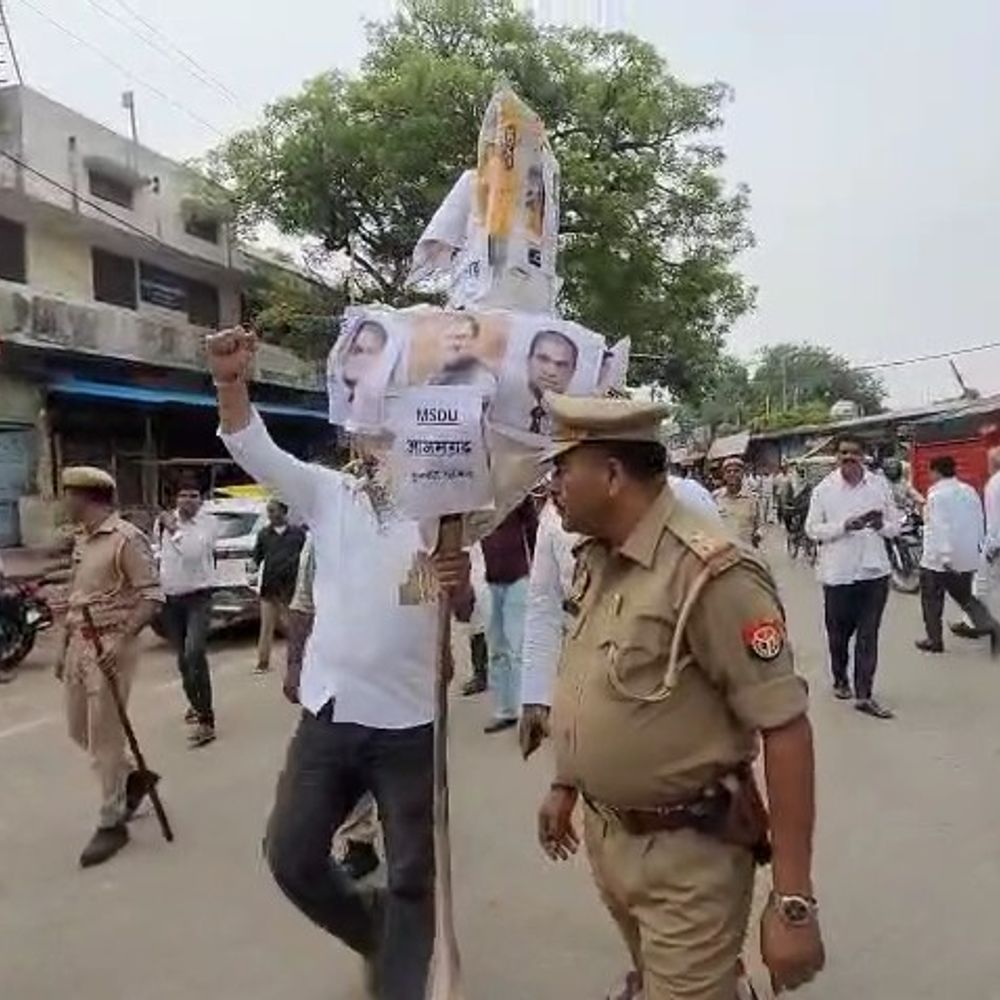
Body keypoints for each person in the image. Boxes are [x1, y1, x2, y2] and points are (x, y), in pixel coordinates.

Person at [207, 326, 473, 999]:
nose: (380, 441)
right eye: (370, 428)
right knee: (291, 857)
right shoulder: (328, 495)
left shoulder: (446, 511)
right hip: (330, 717)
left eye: (393, 425)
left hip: (410, 727)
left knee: (414, 875)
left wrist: (456, 576)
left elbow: (461, 609)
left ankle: (402, 976)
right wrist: (232, 382)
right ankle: (375, 927)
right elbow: (251, 445)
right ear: (355, 438)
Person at [537, 393, 824, 1000]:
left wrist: (793, 904)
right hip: (610, 837)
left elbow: (786, 727)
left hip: (687, 859)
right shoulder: (598, 559)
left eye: (562, 467)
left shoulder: (711, 574)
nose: (552, 483)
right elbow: (591, 678)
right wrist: (567, 781)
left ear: (612, 475)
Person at [519, 473, 721, 760]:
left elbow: (719, 597)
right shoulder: (555, 518)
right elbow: (543, 604)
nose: (552, 485)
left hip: (678, 692)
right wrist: (536, 695)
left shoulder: (684, 497)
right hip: (595, 682)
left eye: (566, 467)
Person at [56, 467, 163, 867]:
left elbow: (152, 597)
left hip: (112, 646)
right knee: (78, 729)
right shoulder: (83, 540)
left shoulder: (126, 540)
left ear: (88, 497)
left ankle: (112, 819)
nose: (64, 502)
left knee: (104, 737)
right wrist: (62, 647)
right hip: (80, 644)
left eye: (68, 494)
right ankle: (132, 776)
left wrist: (121, 640)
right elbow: (76, 596)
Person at [286, 535, 381, 881]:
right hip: (336, 672)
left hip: (393, 670)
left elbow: (425, 597)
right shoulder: (319, 537)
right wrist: (294, 664)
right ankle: (358, 840)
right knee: (350, 757)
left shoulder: (407, 530)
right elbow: (303, 603)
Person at [805, 434, 900, 719]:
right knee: (839, 635)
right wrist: (844, 526)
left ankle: (864, 694)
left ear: (864, 456)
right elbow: (812, 529)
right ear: (837, 457)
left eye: (854, 453)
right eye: (843, 453)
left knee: (868, 636)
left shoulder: (879, 485)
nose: (849, 457)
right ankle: (840, 678)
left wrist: (882, 524)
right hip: (838, 574)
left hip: (874, 573)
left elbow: (895, 527)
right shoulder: (824, 490)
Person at [155, 478, 218, 748]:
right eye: (184, 494)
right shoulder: (161, 522)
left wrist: (174, 530)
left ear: (201, 499)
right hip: (170, 598)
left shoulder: (208, 523)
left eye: (194, 495)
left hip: (199, 597)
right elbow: (157, 555)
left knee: (195, 653)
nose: (189, 500)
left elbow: (192, 554)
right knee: (182, 659)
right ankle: (195, 702)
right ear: (176, 498)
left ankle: (207, 720)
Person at [915, 455, 999, 654]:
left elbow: (940, 527)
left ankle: (934, 640)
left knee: (931, 599)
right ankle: (991, 625)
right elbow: (980, 520)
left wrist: (945, 557)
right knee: (966, 597)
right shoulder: (969, 491)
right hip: (967, 556)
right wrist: (979, 547)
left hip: (938, 559)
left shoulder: (936, 495)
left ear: (935, 471)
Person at [480, 497, 538, 733]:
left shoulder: (516, 490)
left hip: (517, 577)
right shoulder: (474, 493)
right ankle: (505, 710)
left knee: (517, 648)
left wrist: (538, 567)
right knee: (496, 649)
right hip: (488, 578)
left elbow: (533, 528)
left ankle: (527, 712)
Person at [252, 499, 307, 674]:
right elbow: (257, 557)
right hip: (270, 587)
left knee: (293, 626)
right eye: (269, 511)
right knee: (266, 626)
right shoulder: (263, 534)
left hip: (292, 587)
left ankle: (298, 661)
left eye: (274, 511)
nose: (271, 515)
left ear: (284, 512)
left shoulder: (298, 534)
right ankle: (263, 662)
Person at [525, 329, 579, 434]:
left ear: (572, 372)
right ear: (528, 360)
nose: (551, 372)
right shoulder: (498, 403)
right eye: (543, 359)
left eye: (561, 365)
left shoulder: (576, 423)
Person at [428, 313, 497, 389]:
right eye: (449, 337)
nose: (455, 343)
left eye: (462, 337)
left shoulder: (482, 378)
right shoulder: (435, 376)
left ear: (474, 340)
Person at [714, 456, 761, 547]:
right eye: (728, 471)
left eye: (736, 471)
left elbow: (758, 527)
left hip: (745, 553)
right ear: (724, 475)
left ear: (742, 474)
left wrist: (757, 535)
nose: (732, 474)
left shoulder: (752, 499)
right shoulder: (716, 498)